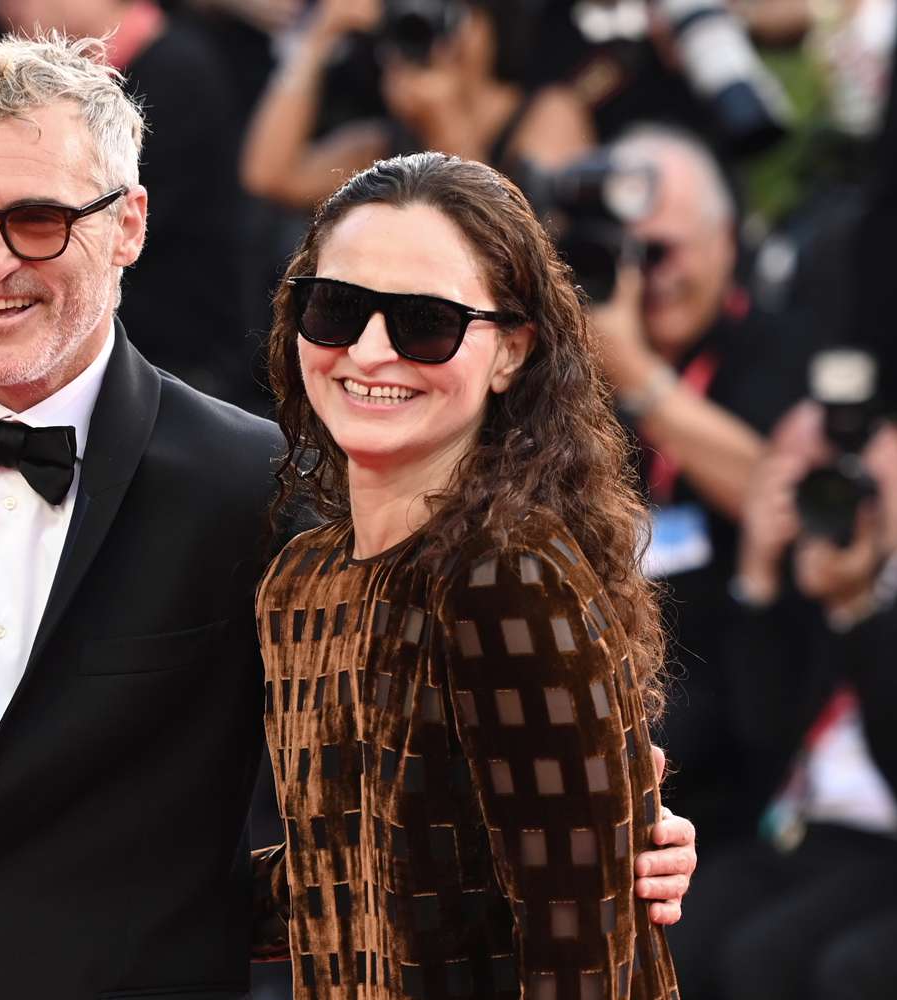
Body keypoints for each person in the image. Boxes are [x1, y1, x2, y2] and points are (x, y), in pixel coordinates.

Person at [0, 35, 696, 999]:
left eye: (36, 220)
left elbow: (391, 806)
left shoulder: (255, 485)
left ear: (128, 225)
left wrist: (597, 836)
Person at [255, 152, 681, 997]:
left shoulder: (502, 578)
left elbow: (582, 957)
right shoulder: (301, 580)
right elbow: (336, 885)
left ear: (511, 354)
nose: (371, 352)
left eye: (426, 323)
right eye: (335, 309)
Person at [587, 124, 818, 844]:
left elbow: (780, 493)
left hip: (735, 682)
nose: (648, 276)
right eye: (628, 256)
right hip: (613, 666)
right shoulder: (586, 360)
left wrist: (640, 377)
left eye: (664, 251)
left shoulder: (782, 347)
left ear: (726, 239)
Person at [669, 400, 897, 1000]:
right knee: (675, 935)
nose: (840, 493)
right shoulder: (809, 563)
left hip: (893, 841)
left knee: (764, 956)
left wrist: (862, 604)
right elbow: (758, 733)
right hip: (792, 829)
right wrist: (759, 575)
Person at [0, 0, 257, 406]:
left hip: (178, 367)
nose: (8, 6)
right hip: (104, 350)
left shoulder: (177, 71)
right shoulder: (122, 72)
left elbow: (85, 219)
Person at [240, 0, 593, 211]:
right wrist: (315, 42)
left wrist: (446, 125)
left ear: (487, 23)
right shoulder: (391, 142)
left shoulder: (549, 113)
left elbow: (521, 249)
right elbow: (270, 176)